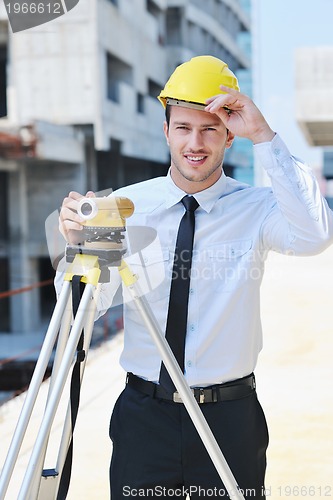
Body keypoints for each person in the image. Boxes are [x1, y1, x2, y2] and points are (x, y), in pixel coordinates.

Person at [56, 56, 333, 499]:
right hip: (145, 417)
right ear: (166, 132)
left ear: (229, 134)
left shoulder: (257, 207)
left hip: (229, 416)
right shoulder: (126, 206)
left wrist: (264, 135)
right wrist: (80, 249)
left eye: (209, 128)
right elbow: (86, 307)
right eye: (183, 127)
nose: (195, 143)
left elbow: (316, 235)